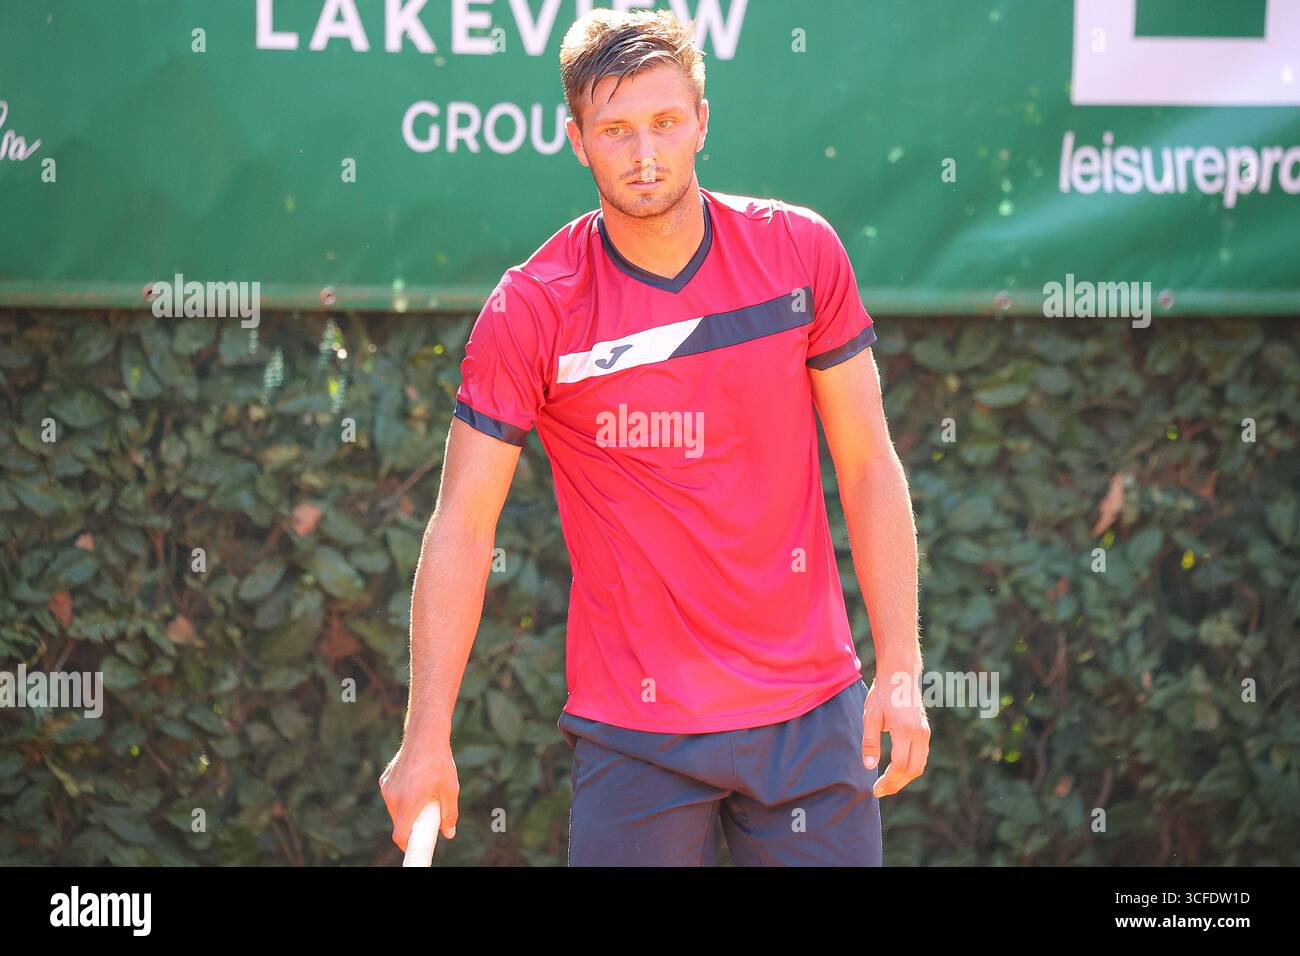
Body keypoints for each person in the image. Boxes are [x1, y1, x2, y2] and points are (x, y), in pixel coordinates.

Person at [380, 7, 928, 866]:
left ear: (703, 121)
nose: (644, 153)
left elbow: (866, 464)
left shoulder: (800, 255)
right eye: (616, 130)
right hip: (638, 739)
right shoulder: (531, 310)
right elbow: (461, 523)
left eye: (666, 123)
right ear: (577, 139)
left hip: (812, 719)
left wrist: (898, 661)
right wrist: (425, 737)